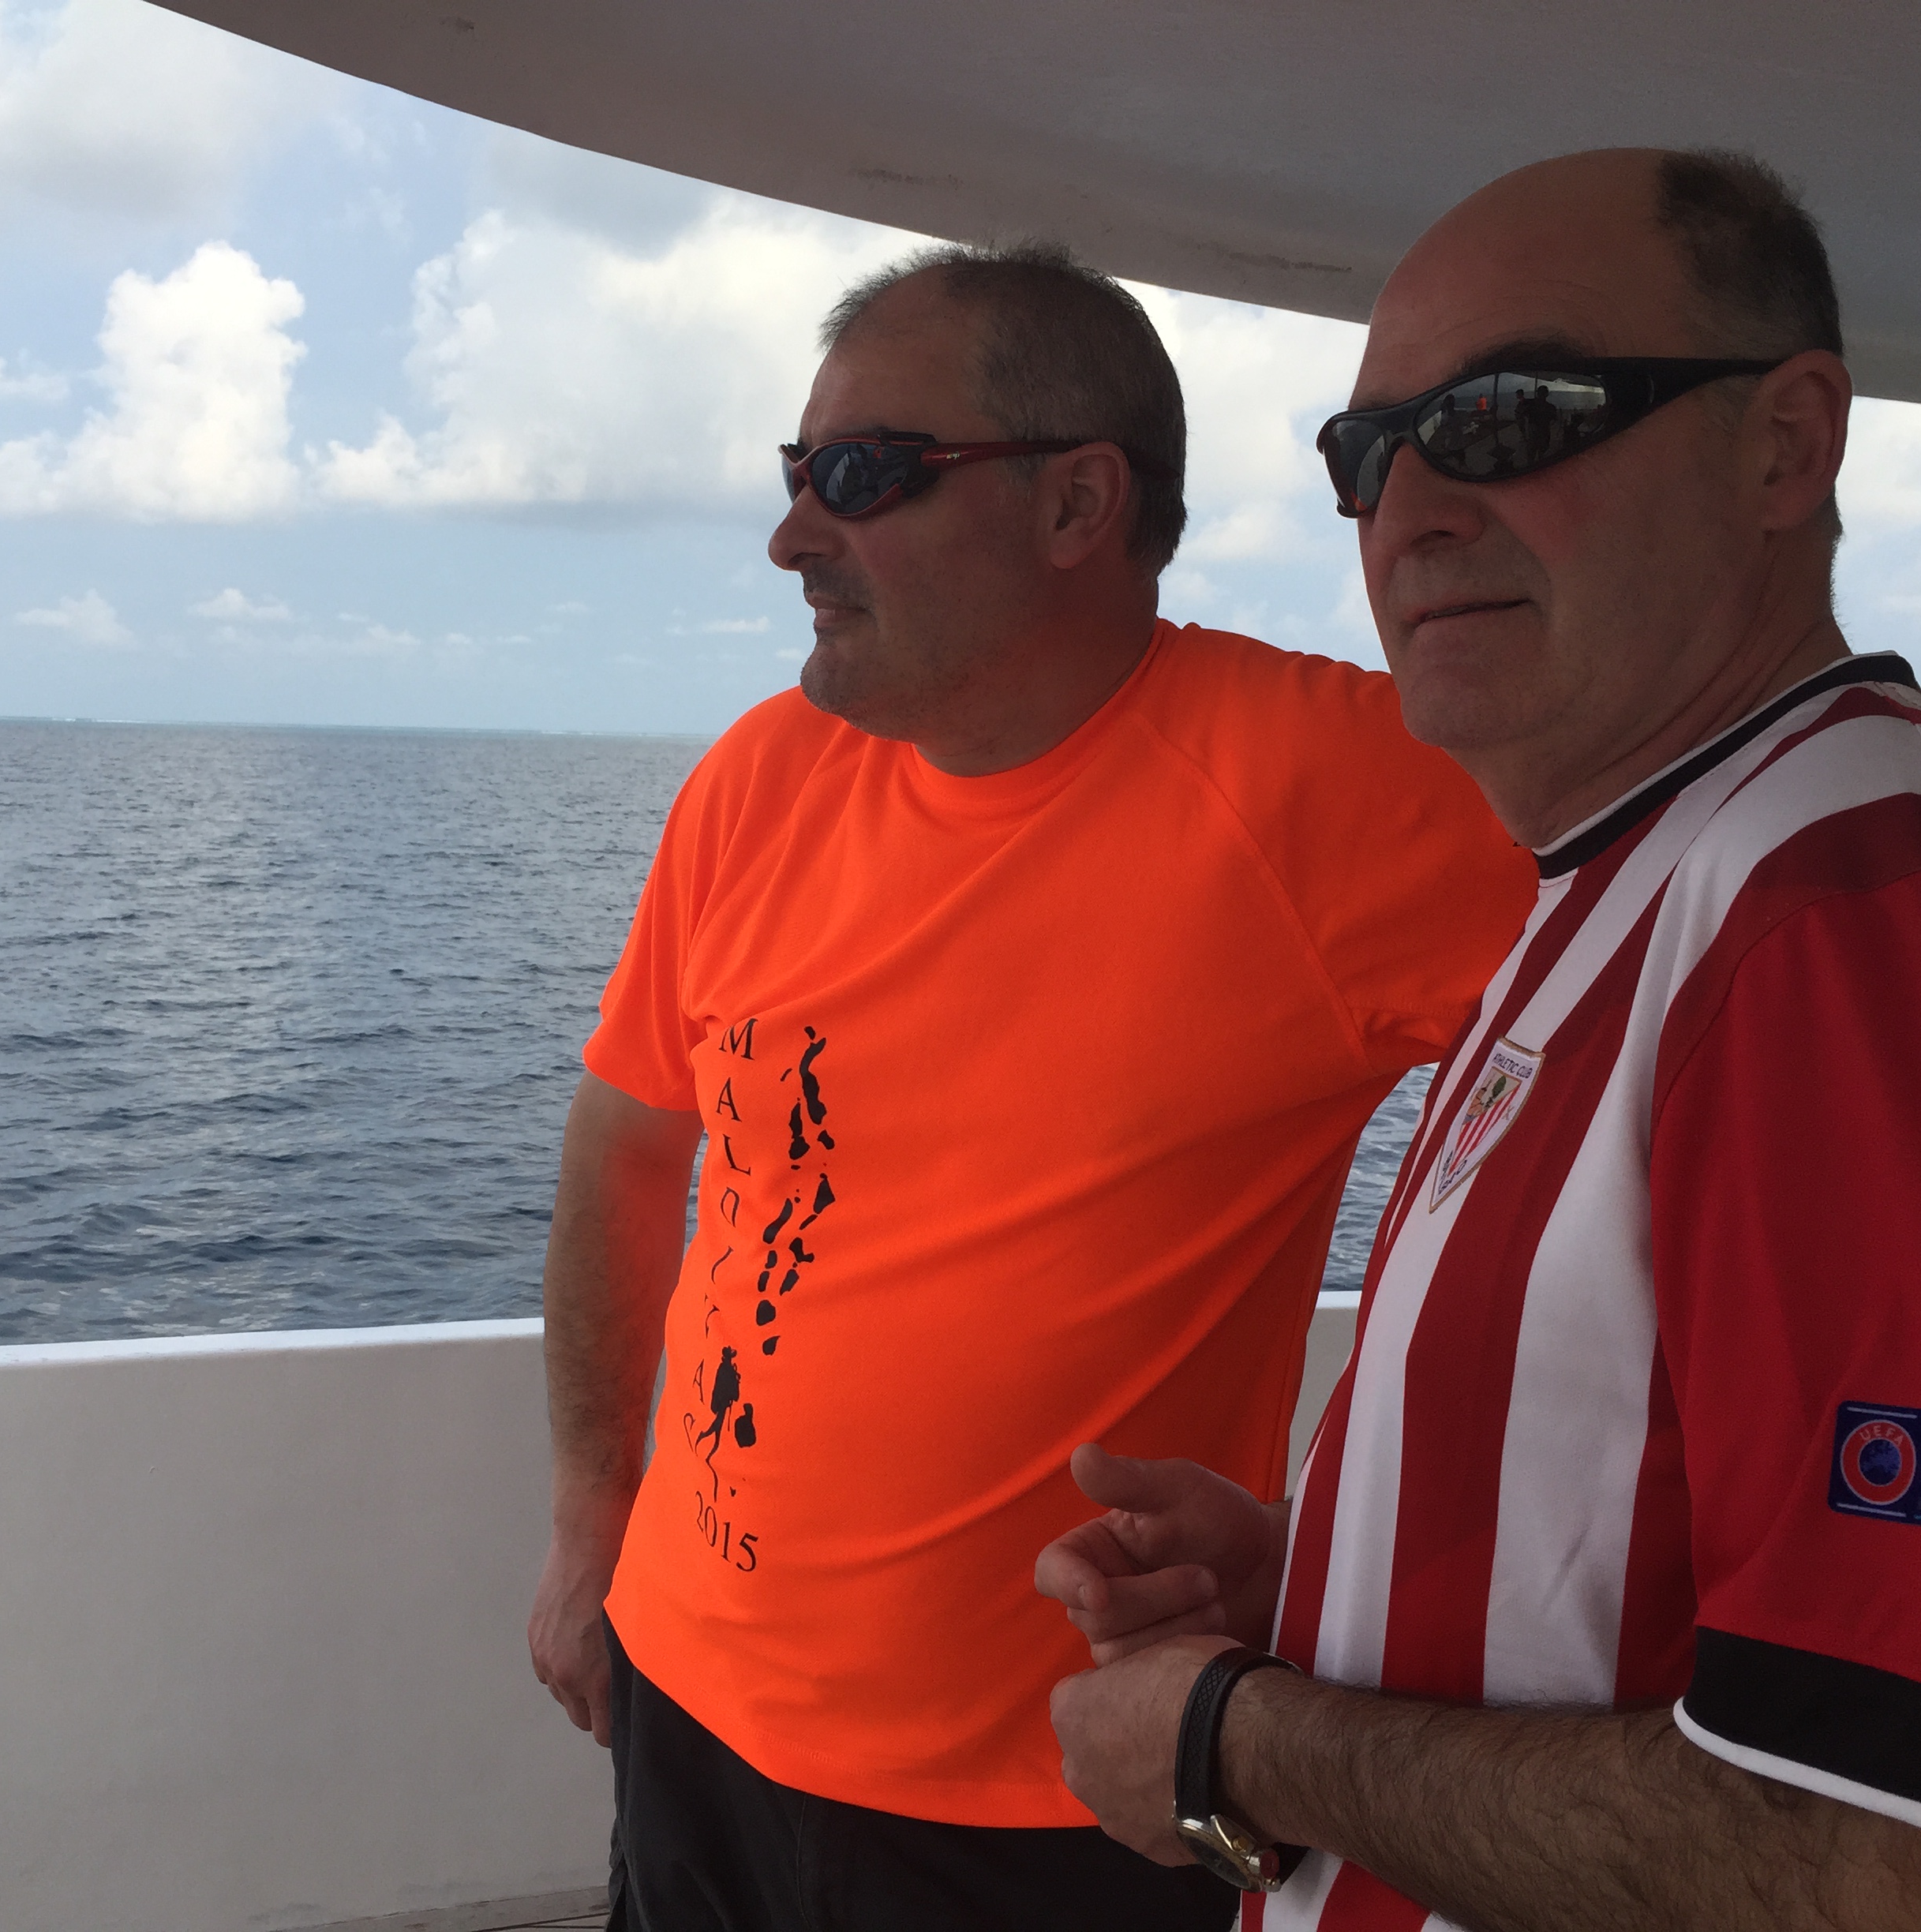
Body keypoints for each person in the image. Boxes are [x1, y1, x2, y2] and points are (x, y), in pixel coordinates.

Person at [1042, 148, 1921, 1930]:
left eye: (1509, 418)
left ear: (1786, 447)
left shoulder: (1858, 910)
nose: (1409, 510)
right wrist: (1337, 1585)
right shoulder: (1640, 874)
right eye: (1364, 454)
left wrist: (1236, 1737)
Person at [526, 241, 1532, 1930]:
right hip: (688, 1705)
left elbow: (1684, 1056)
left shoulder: (1333, 786)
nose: (792, 536)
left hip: (1059, 1794)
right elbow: (629, 1148)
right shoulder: (762, 776)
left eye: (862, 475)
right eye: (796, 474)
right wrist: (588, 1522)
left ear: (1078, 501)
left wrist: (1363, 1551)